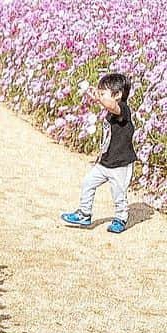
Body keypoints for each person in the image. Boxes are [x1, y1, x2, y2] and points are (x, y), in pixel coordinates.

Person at [61, 73, 137, 234]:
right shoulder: (111, 111)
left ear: (117, 95)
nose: (100, 96)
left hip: (120, 164)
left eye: (104, 93)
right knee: (88, 182)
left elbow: (112, 106)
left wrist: (98, 98)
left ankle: (120, 218)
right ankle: (84, 213)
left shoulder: (123, 109)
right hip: (106, 162)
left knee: (119, 192)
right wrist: (98, 96)